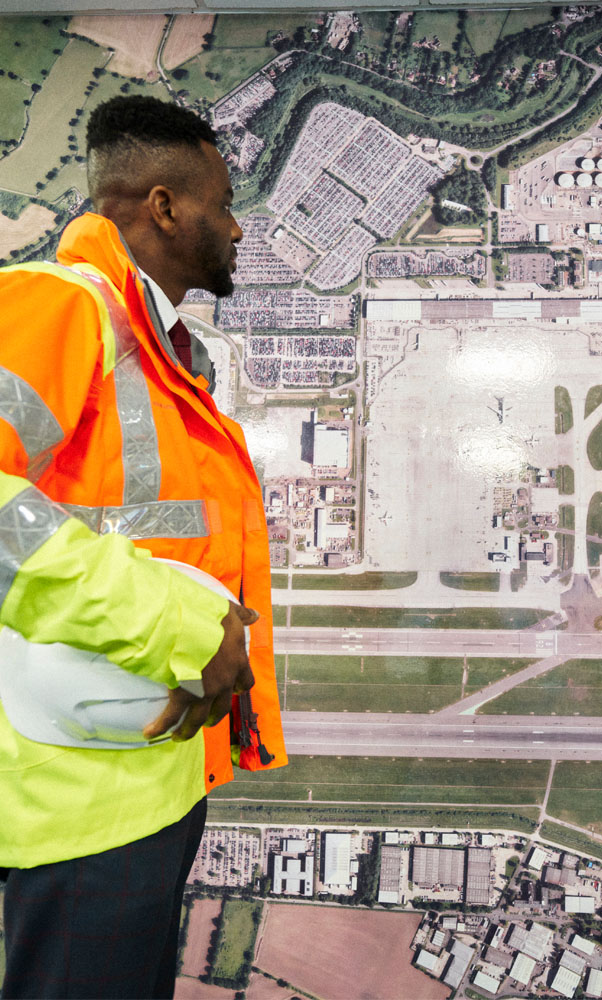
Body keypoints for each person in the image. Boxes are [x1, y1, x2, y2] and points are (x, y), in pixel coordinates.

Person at [0, 96, 286, 998]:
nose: (237, 224)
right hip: (77, 805)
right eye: (224, 201)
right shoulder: (61, 306)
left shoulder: (155, 352)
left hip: (136, 777)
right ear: (164, 206)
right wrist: (181, 626)